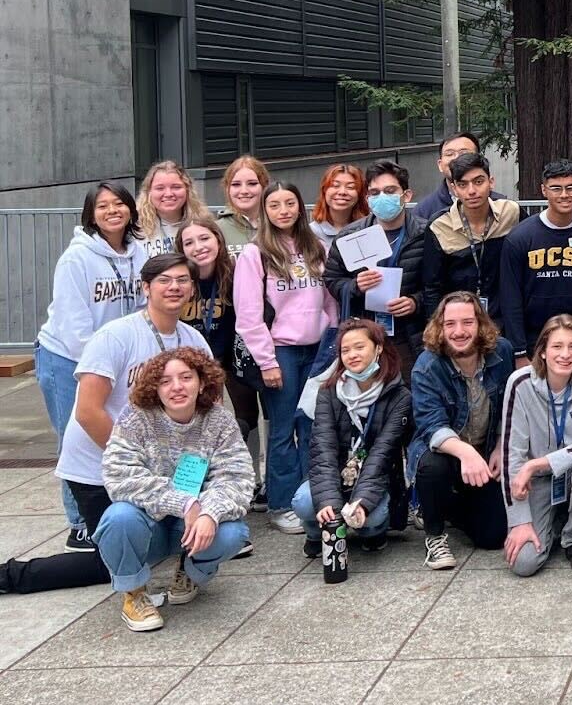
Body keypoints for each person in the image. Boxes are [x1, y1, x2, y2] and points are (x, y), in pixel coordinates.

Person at [0, 254, 208, 595]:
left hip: (158, 469)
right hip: (98, 467)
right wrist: (136, 461)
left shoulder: (194, 341)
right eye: (164, 280)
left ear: (193, 289)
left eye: (183, 280)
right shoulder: (115, 336)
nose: (174, 287)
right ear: (145, 288)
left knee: (186, 534)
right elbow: (87, 411)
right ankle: (9, 576)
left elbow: (207, 413)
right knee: (110, 560)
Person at [96, 348, 254, 631]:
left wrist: (209, 512)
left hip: (193, 526)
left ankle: (190, 570)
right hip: (148, 525)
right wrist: (183, 503)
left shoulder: (219, 421)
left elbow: (237, 478)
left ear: (202, 383)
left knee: (234, 533)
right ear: (155, 388)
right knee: (117, 517)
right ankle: (133, 593)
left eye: (186, 377)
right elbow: (118, 475)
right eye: (165, 381)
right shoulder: (136, 418)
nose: (177, 387)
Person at [34, 182, 146, 546]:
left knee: (114, 430)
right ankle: (79, 522)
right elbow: (74, 325)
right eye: (103, 206)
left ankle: (111, 509)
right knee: (75, 436)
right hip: (68, 358)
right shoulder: (76, 258)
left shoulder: (139, 253)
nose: (112, 211)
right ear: (91, 215)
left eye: (119, 204)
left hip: (115, 360)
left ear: (130, 209)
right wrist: (102, 367)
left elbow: (143, 308)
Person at [234, 182, 337, 533]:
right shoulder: (255, 253)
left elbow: (330, 300)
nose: (283, 211)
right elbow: (248, 315)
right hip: (281, 350)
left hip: (317, 348)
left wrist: (333, 340)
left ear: (300, 206)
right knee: (282, 428)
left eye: (290, 203)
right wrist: (267, 361)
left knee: (313, 425)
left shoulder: (316, 247)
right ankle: (281, 503)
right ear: (265, 210)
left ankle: (312, 498)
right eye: (275, 205)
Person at [410, 293, 516, 570]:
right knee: (432, 467)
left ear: (480, 324)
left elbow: (510, 406)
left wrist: (500, 446)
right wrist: (466, 453)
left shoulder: (502, 351)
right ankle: (435, 535)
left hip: (484, 450)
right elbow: (431, 425)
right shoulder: (427, 365)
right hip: (444, 451)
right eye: (450, 324)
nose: (459, 331)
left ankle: (448, 507)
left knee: (493, 536)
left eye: (467, 322)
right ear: (440, 327)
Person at [501, 314, 572, 575]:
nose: (565, 354)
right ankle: (555, 520)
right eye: (557, 346)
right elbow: (511, 456)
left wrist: (536, 464)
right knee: (523, 564)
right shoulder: (519, 383)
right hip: (537, 482)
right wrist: (520, 521)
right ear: (543, 351)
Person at [295, 319, 411, 558]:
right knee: (304, 502)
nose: (352, 355)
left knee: (372, 517)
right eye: (345, 350)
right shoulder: (329, 391)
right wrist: (328, 502)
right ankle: (316, 533)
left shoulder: (399, 395)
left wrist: (362, 501)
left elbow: (382, 455)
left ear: (378, 348)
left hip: (375, 477)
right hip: (337, 472)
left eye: (360, 347)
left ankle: (374, 532)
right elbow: (323, 450)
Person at [176, 216, 260, 519]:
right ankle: (189, 491)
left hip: (230, 358)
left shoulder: (235, 273)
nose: (198, 247)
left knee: (243, 418)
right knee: (194, 427)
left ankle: (245, 482)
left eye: (204, 239)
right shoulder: (179, 279)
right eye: (189, 242)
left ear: (218, 240)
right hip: (192, 363)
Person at [500, 159, 572, 366]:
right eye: (556, 188)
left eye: (571, 187)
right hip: (533, 343)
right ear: (543, 190)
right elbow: (511, 299)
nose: (564, 195)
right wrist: (519, 352)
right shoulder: (520, 238)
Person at [323, 162, 430, 370]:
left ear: (406, 195)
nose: (382, 197)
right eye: (375, 193)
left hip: (411, 335)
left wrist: (415, 302)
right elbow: (332, 279)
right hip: (366, 335)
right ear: (367, 199)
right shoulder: (350, 236)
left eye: (390, 191)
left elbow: (441, 285)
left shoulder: (425, 234)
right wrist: (355, 286)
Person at [420, 151, 522, 324]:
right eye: (462, 184)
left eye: (478, 182)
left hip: (505, 315)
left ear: (491, 182)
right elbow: (432, 287)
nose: (472, 191)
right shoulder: (439, 226)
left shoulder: (511, 212)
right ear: (454, 188)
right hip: (460, 320)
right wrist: (437, 328)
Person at [414, 131, 508, 222]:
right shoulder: (424, 211)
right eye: (449, 154)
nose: (456, 158)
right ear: (440, 165)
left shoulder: (504, 208)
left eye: (464, 153)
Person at [135, 161, 208, 255]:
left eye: (176, 187)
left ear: (188, 190)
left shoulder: (204, 225)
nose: (168, 194)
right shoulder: (135, 229)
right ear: (149, 192)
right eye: (160, 188)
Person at [215, 155, 270, 258]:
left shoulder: (278, 225)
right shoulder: (216, 230)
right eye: (236, 184)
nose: (244, 191)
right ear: (227, 189)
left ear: (265, 186)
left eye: (252, 183)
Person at [309, 163, 369, 248]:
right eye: (335, 186)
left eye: (350, 187)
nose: (342, 192)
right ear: (324, 190)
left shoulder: (370, 227)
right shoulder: (310, 233)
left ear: (360, 194)